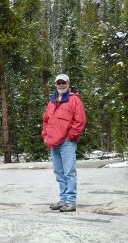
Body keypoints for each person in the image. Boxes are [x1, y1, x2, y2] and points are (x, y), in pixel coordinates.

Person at [41, 74, 86, 212]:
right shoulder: (52, 101)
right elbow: (46, 121)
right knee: (59, 172)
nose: (61, 85)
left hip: (67, 143)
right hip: (53, 143)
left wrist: (70, 137)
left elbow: (80, 121)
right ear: (56, 84)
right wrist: (45, 136)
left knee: (69, 172)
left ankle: (71, 202)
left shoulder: (74, 100)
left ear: (68, 84)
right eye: (58, 82)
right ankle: (63, 199)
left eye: (63, 82)